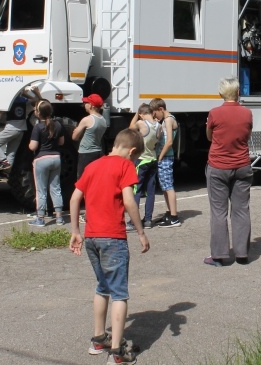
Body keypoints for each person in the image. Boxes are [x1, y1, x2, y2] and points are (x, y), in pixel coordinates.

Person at [69, 128, 149, 364]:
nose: (134, 161)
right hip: (113, 237)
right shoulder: (125, 167)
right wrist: (141, 232)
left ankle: (98, 338)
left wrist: (75, 231)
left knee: (101, 287)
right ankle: (117, 352)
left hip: (91, 236)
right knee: (120, 294)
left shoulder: (92, 166)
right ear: (132, 151)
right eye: (135, 158)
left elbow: (74, 198)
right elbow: (128, 201)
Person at [205, 77, 253, 266]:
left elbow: (209, 136)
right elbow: (247, 136)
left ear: (221, 94)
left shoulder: (214, 113)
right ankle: (242, 254)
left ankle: (219, 255)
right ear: (238, 93)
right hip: (242, 165)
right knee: (241, 210)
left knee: (219, 212)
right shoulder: (247, 113)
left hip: (218, 166)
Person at [28, 100, 65, 226]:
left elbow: (33, 147)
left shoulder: (38, 127)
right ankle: (59, 217)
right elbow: (61, 142)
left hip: (41, 159)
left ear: (39, 113)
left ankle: (40, 218)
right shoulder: (58, 125)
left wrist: (29, 144)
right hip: (56, 158)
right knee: (56, 188)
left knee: (41, 190)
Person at [0, 86, 41, 172]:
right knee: (11, 153)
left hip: (11, 128)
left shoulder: (8, 101)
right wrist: (28, 94)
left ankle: (4, 161)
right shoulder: (24, 101)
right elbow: (35, 101)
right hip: (21, 130)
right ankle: (6, 174)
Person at [128, 103, 160, 230]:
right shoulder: (159, 126)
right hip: (153, 159)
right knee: (150, 191)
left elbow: (130, 129)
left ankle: (132, 221)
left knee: (136, 190)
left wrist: (136, 114)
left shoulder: (142, 124)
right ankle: (148, 220)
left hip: (141, 160)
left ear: (142, 114)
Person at [150, 98, 181, 227]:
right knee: (164, 186)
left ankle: (174, 217)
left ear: (161, 109)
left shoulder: (169, 120)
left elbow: (169, 142)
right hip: (165, 156)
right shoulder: (166, 120)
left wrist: (160, 157)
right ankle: (169, 213)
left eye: (155, 113)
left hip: (166, 157)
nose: (154, 116)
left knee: (168, 186)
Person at [73, 94, 108, 180]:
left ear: (91, 105)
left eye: (86, 103)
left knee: (82, 180)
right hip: (98, 152)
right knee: (94, 179)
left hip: (86, 153)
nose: (84, 104)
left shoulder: (87, 120)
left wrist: (76, 130)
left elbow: (74, 137)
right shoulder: (103, 120)